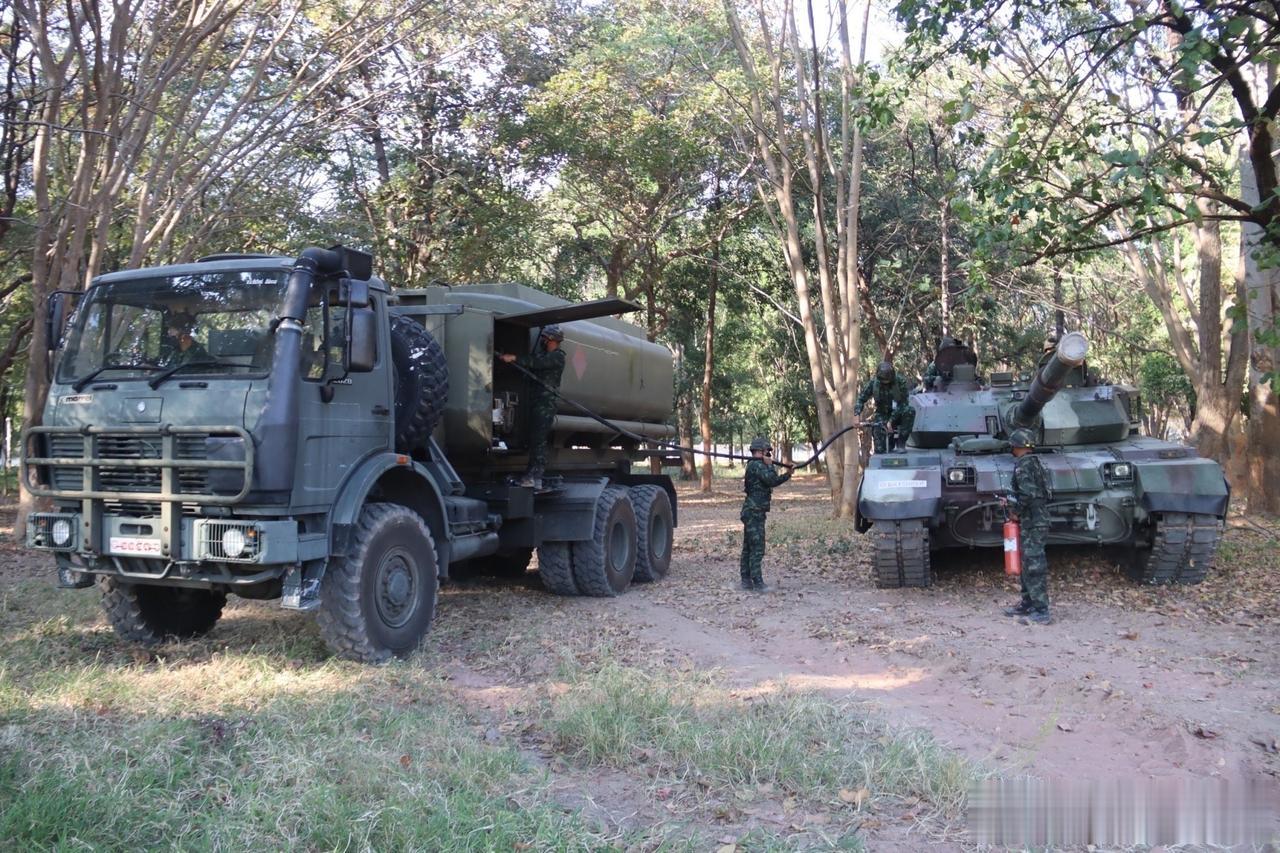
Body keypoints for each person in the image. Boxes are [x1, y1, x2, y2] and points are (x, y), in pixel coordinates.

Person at [499, 324, 566, 489]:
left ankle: (535, 476)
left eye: (544, 338)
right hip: (536, 403)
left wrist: (513, 358)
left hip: (545, 405)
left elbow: (536, 363)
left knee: (539, 441)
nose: (542, 341)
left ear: (551, 340)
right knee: (534, 440)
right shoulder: (546, 355)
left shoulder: (557, 357)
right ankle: (531, 475)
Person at [1003, 428, 1052, 624]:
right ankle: (1027, 602)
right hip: (1034, 519)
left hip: (1034, 520)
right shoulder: (1034, 462)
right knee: (1026, 562)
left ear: (1016, 445)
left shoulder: (1023, 466)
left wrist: (1016, 511)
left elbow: (1028, 494)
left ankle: (1041, 609)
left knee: (1034, 564)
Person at [739, 435, 793, 592]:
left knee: (749, 546)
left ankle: (746, 580)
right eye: (766, 452)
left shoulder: (755, 465)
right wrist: (774, 468)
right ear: (760, 451)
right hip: (754, 511)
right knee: (757, 547)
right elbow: (772, 480)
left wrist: (787, 473)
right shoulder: (757, 466)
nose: (768, 455)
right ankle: (757, 582)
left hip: (754, 510)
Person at [854, 360, 915, 452]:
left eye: (888, 381)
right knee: (880, 450)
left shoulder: (900, 382)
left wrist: (891, 420)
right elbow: (861, 399)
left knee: (909, 410)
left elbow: (903, 404)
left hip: (898, 413)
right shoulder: (874, 384)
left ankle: (901, 442)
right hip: (882, 415)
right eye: (883, 381)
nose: (886, 383)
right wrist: (856, 414)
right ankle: (890, 443)